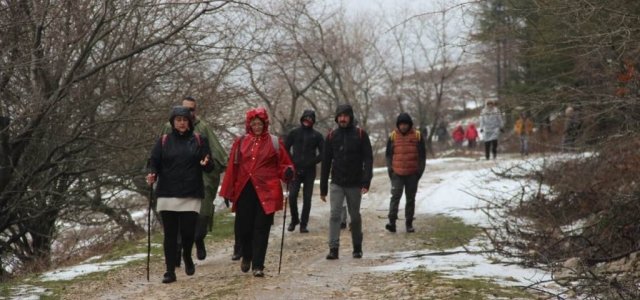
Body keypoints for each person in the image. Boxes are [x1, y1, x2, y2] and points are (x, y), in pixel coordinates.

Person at [219, 107, 295, 277]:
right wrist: (227, 191)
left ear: (264, 124)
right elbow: (233, 168)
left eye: (259, 123)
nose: (257, 126)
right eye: (254, 123)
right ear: (249, 125)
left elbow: (284, 165)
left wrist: (288, 172)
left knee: (262, 228)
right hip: (245, 189)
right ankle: (247, 255)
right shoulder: (240, 142)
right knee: (244, 228)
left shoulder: (275, 142)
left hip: (267, 191)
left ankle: (258, 265)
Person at [147, 106, 214, 284]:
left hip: (191, 192)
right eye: (178, 120)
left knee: (187, 232)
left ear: (190, 122)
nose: (182, 123)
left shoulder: (200, 140)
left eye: (185, 120)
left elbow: (210, 166)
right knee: (170, 234)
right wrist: (152, 173)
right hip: (167, 192)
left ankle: (187, 256)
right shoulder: (163, 141)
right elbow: (153, 162)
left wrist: (205, 163)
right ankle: (169, 271)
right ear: (173, 123)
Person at [160, 96, 228, 265]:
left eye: (192, 110)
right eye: (185, 110)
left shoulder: (202, 128)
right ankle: (176, 253)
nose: (188, 114)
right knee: (176, 217)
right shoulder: (168, 128)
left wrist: (219, 166)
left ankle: (199, 238)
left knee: (201, 214)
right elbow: (160, 152)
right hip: (175, 179)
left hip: (201, 177)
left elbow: (215, 150)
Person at [320, 104, 373, 260]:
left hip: (355, 182)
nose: (342, 119)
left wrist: (366, 182)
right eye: (340, 116)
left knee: (354, 216)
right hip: (337, 182)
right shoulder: (331, 136)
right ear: (336, 118)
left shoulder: (361, 135)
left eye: (345, 116)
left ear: (350, 117)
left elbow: (368, 160)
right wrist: (323, 188)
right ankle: (333, 248)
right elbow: (326, 162)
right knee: (335, 214)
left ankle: (357, 247)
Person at [385, 113, 426, 233]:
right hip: (397, 174)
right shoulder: (393, 136)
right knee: (395, 198)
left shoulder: (417, 136)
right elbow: (388, 155)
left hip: (412, 174)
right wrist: (390, 170)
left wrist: (419, 172)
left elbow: (422, 156)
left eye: (405, 124)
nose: (403, 126)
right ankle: (392, 222)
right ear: (398, 125)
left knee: (410, 199)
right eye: (401, 124)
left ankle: (409, 223)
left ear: (409, 125)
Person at [284, 110, 324, 233]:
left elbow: (324, 153)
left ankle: (304, 224)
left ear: (313, 121)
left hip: (310, 171)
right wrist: (291, 162)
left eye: (310, 119)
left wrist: (312, 162)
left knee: (307, 198)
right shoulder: (294, 133)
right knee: (292, 196)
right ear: (302, 119)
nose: (308, 121)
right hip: (295, 169)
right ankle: (294, 219)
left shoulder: (317, 135)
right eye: (306, 118)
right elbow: (285, 148)